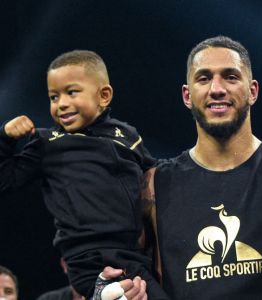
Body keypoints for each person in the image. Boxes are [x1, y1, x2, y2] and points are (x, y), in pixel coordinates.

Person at [134, 35, 262, 299]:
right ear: (187, 95)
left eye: (231, 76)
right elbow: (120, 267)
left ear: (252, 91)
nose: (217, 88)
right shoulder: (154, 184)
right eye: (204, 78)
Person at [0, 50, 169, 300]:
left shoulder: (128, 136)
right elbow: (6, 179)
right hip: (86, 259)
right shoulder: (47, 143)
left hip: (131, 257)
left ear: (104, 95)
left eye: (71, 92)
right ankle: (104, 293)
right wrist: (4, 138)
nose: (61, 104)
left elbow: (158, 178)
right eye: (53, 97)